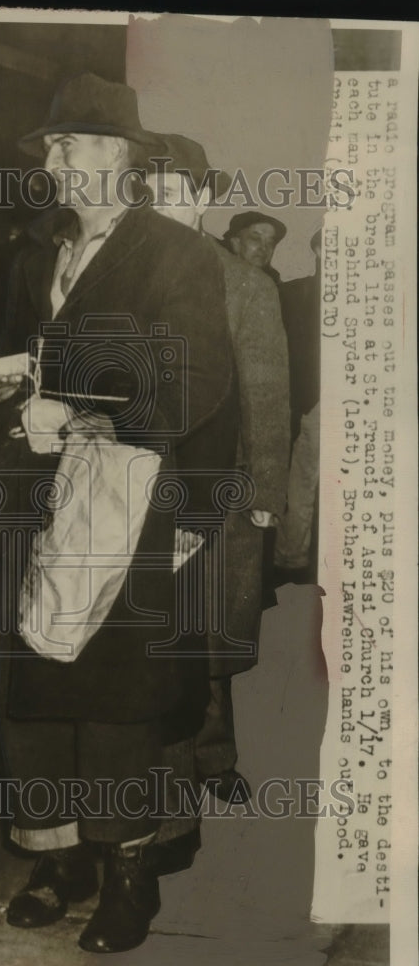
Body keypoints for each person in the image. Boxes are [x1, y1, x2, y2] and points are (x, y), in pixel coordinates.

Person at [0, 74, 238, 954]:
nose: (55, 158)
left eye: (73, 142)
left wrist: (75, 408)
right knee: (28, 691)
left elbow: (195, 384)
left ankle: (127, 873)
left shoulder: (176, 255)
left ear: (121, 156)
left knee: (115, 702)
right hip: (26, 502)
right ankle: (57, 858)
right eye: (52, 145)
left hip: (128, 501)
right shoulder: (33, 254)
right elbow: (23, 363)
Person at [146, 135, 291, 810]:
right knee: (148, 626)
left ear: (204, 199)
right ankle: (154, 766)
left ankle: (213, 757)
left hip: (218, 487)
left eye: (180, 191)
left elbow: (267, 392)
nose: (165, 204)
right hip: (134, 481)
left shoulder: (243, 284)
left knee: (210, 630)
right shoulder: (121, 269)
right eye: (153, 190)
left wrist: (265, 494)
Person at [275, 228, 321, 581]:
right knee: (301, 486)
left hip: (358, 411)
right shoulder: (293, 292)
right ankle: (290, 566)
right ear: (318, 248)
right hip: (310, 406)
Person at [223, 210, 287, 284]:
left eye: (270, 243)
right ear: (236, 243)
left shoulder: (275, 286)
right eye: (255, 239)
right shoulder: (218, 274)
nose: (264, 248)